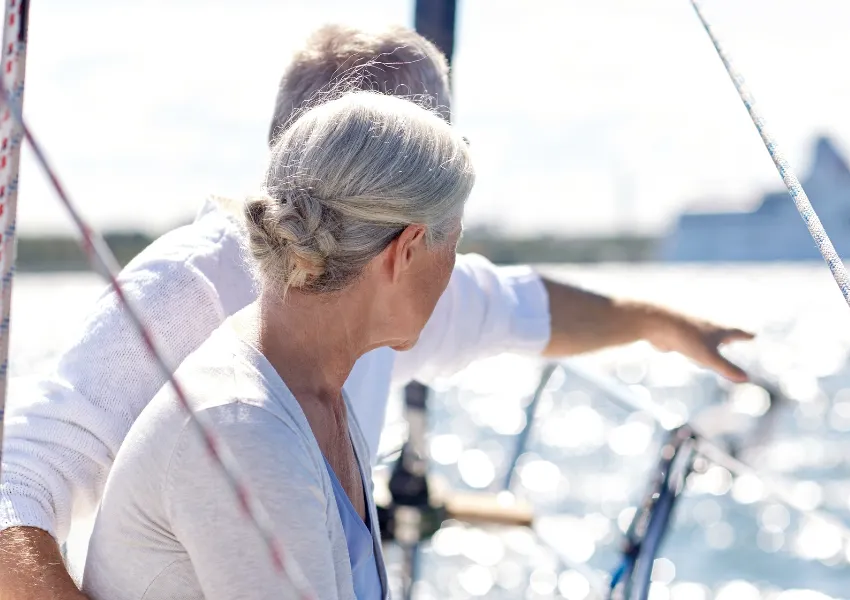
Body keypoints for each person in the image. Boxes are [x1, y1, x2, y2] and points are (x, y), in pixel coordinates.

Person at [0, 24, 752, 600]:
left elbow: (522, 305)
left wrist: (665, 325)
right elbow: (16, 487)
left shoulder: (340, 317)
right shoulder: (195, 299)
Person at [84, 90, 470, 600]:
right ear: (408, 250)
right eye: (455, 245)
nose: (454, 267)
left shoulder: (307, 387)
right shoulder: (246, 425)